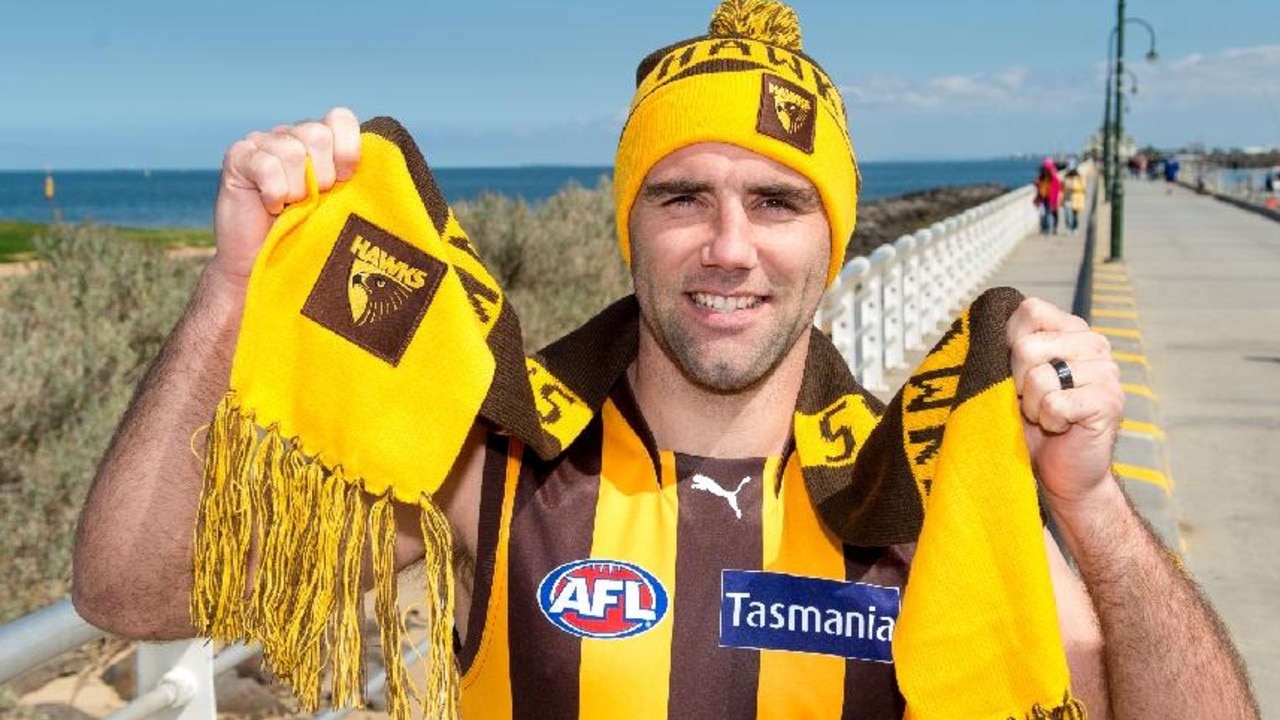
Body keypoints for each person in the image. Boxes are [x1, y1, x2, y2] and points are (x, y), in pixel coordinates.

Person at [71, 2, 1258, 718]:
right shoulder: (501, 471)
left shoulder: (921, 494)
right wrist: (232, 291)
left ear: (830, 240)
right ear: (628, 228)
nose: (729, 246)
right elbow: (131, 591)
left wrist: (1090, 506)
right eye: (682, 196)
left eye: (776, 202)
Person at [1034, 157, 1062, 235]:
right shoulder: (1041, 178)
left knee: (1050, 214)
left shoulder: (1054, 179)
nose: (1045, 170)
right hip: (1044, 199)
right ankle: (1047, 228)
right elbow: (1039, 187)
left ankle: (1050, 229)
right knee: (1045, 214)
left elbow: (1057, 190)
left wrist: (1055, 200)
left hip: (1051, 199)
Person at [1062, 161, 1086, 233]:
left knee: (1075, 214)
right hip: (1067, 198)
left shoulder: (1079, 177)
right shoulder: (1066, 177)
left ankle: (1075, 228)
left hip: (1076, 198)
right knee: (1067, 214)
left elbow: (1083, 187)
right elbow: (1063, 187)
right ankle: (1069, 228)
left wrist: (1073, 187)